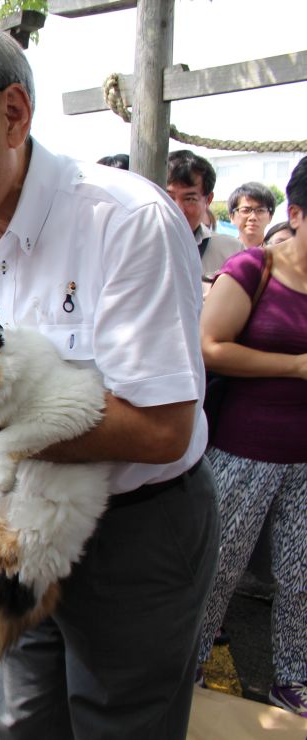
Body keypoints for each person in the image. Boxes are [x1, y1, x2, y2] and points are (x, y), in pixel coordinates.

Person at [0, 19, 217, 738]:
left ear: (13, 114)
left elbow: (161, 428)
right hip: (12, 521)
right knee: (19, 722)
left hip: (135, 534)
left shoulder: (124, 223)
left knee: (119, 724)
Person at [195, 156, 307, 718]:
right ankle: (184, 668)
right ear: (297, 212)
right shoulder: (253, 269)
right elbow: (209, 346)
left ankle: (295, 678)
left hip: (304, 462)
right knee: (216, 570)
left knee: (303, 577)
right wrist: (295, 368)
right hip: (245, 452)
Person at [167, 149, 243, 278]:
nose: (178, 210)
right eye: (168, 198)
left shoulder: (232, 252)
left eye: (189, 199)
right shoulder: (134, 246)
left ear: (208, 199)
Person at [229, 181, 276, 249]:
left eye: (260, 210)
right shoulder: (222, 254)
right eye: (246, 210)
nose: (253, 217)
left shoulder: (277, 256)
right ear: (232, 217)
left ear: (270, 217)